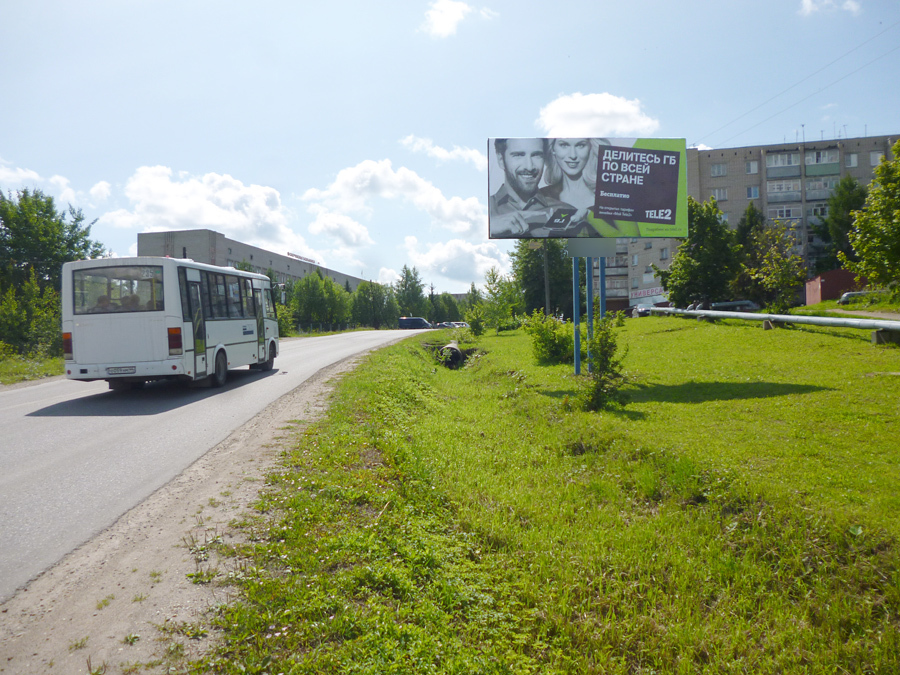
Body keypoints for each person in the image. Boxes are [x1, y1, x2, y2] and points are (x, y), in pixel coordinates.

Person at [541, 137, 640, 237]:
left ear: (590, 147)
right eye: (564, 145)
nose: (573, 155)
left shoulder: (615, 195)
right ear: (553, 149)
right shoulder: (541, 196)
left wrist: (589, 215)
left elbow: (631, 241)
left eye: (580, 145)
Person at [489, 138, 568, 238]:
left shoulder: (566, 211)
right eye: (518, 155)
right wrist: (487, 227)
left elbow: (582, 250)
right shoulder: (484, 212)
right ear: (501, 160)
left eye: (536, 155)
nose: (529, 167)